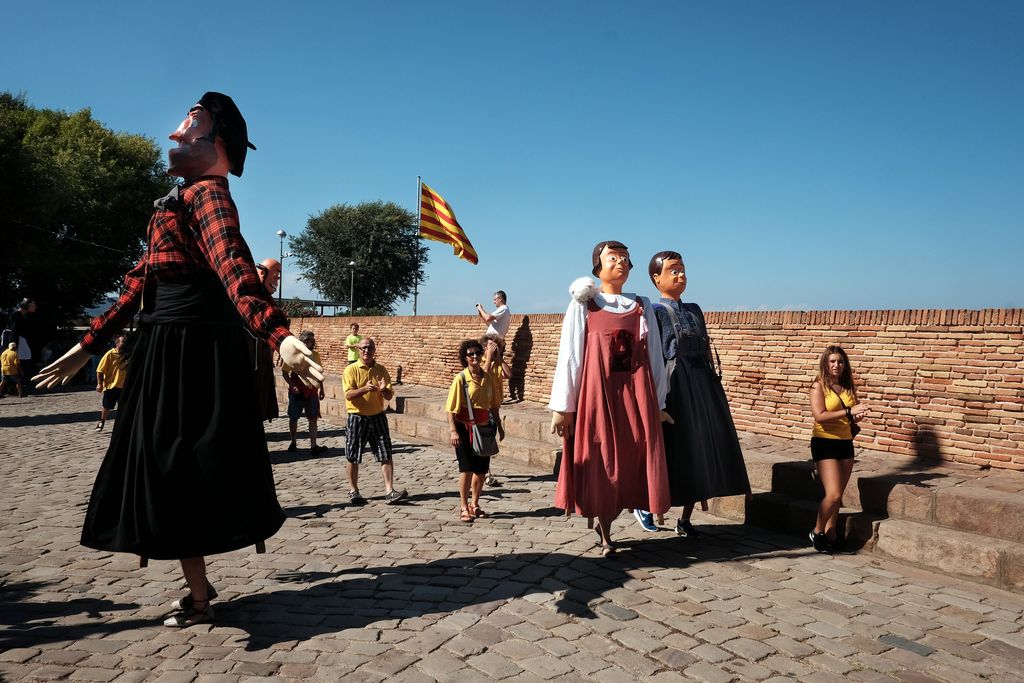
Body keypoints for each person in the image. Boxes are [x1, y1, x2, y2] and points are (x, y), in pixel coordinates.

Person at [32, 92, 323, 628]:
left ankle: (198, 592)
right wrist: (87, 346)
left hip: (192, 352)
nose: (174, 135)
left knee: (177, 470)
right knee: (165, 472)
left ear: (219, 148)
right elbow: (140, 283)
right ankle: (198, 589)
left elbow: (234, 269)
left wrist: (276, 334)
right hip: (165, 348)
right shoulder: (178, 201)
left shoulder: (209, 197)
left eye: (191, 127)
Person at [549, 240, 671, 556]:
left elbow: (655, 354)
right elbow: (571, 355)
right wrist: (564, 406)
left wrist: (659, 401)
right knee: (603, 460)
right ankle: (604, 532)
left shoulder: (642, 305)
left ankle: (627, 513)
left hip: (636, 394)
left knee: (634, 456)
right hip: (597, 393)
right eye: (613, 258)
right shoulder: (583, 304)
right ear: (598, 266)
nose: (621, 263)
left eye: (626, 259)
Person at [642, 251, 751, 537]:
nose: (680, 275)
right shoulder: (654, 311)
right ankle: (650, 504)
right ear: (657, 278)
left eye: (682, 270)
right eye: (673, 270)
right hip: (675, 385)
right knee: (673, 448)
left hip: (702, 384)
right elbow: (653, 353)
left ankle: (686, 519)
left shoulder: (694, 309)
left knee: (702, 448)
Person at [809, 345, 869, 553]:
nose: (837, 365)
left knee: (839, 493)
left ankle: (831, 534)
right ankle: (817, 532)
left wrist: (856, 415)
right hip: (824, 442)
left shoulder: (848, 388)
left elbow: (851, 414)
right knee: (833, 494)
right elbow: (820, 415)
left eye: (841, 362)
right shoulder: (819, 387)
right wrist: (848, 411)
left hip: (845, 443)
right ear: (826, 363)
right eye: (833, 361)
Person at [343, 338, 407, 505]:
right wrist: (365, 389)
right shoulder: (351, 370)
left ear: (374, 350)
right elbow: (348, 395)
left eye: (370, 348)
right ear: (358, 350)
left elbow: (389, 396)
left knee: (385, 452)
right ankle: (354, 490)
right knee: (353, 455)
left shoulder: (381, 370)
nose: (367, 351)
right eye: (364, 348)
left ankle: (389, 490)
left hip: (378, 416)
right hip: (357, 417)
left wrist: (384, 388)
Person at [446, 339, 502, 522]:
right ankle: (463, 505)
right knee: (467, 469)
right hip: (464, 428)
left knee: (481, 470)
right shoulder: (461, 379)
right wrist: (453, 431)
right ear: (465, 358)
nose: (475, 357)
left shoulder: (488, 378)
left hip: (484, 428)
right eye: (471, 354)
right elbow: (451, 408)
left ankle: (475, 504)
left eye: (478, 353)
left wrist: (499, 425)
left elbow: (493, 405)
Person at [283, 330, 328, 454]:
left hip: (312, 390)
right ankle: (293, 442)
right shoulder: (292, 354)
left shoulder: (316, 355)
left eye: (313, 340)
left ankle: (313, 445)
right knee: (294, 417)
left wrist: (321, 388)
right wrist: (292, 386)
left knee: (313, 418)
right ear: (303, 342)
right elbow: (285, 372)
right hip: (297, 391)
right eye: (311, 340)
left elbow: (319, 374)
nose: (313, 343)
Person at [250, 258, 282, 422]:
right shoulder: (249, 299)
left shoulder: (268, 302)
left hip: (261, 362)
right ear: (262, 273)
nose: (277, 281)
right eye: (275, 276)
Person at [480, 333, 509, 487]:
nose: (493, 349)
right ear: (484, 348)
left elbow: (509, 374)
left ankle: (484, 472)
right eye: (490, 346)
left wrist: (499, 359)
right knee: (484, 442)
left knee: (489, 442)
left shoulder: (497, 364)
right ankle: (485, 473)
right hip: (481, 409)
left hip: (494, 408)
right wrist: (489, 357)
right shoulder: (478, 362)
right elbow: (482, 376)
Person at [94, 334, 127, 432]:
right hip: (111, 385)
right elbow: (100, 370)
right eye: (123, 342)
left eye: (126, 342)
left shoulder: (127, 355)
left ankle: (121, 425)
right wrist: (99, 384)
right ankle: (102, 421)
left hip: (124, 386)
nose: (125, 344)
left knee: (123, 407)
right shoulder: (110, 354)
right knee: (107, 406)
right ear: (117, 343)